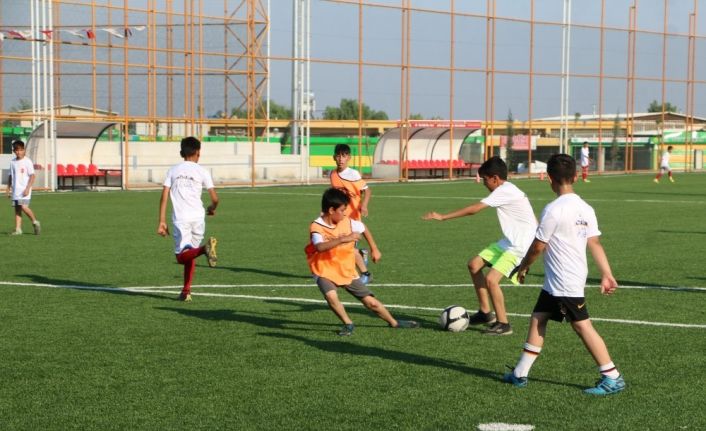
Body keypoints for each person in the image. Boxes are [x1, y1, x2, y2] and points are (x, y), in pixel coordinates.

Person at [504, 153, 625, 396]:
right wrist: (606, 274)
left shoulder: (553, 209)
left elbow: (539, 245)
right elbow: (595, 243)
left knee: (582, 326)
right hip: (559, 280)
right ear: (576, 177)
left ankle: (612, 376)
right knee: (539, 317)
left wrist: (524, 266)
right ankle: (520, 373)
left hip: (564, 281)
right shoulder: (585, 207)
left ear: (549, 178)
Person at [422, 156, 537, 336]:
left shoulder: (505, 190)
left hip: (520, 246)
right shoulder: (507, 189)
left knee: (492, 280)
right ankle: (485, 313)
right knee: (474, 264)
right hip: (509, 241)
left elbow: (474, 210)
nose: (484, 183)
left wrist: (443, 217)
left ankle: (504, 324)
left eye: (485, 179)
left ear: (495, 178)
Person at [306, 187, 418, 336]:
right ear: (331, 210)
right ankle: (348, 323)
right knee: (331, 296)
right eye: (342, 210)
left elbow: (363, 228)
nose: (345, 213)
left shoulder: (348, 222)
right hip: (323, 269)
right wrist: (343, 239)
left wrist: (374, 248)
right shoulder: (317, 226)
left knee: (370, 303)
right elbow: (319, 247)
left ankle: (394, 322)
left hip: (346, 268)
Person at [158, 136, 219, 302]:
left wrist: (162, 220)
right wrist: (212, 209)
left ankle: (204, 249)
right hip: (198, 217)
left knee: (181, 256)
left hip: (181, 218)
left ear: (181, 153)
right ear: (198, 153)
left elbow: (164, 195)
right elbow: (215, 198)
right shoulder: (202, 171)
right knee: (189, 254)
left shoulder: (173, 170)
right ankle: (186, 291)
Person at [330, 143, 374, 284]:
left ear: (349, 158)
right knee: (337, 245)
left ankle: (366, 274)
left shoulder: (353, 174)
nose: (341, 159)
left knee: (347, 248)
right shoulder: (333, 174)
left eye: (344, 156)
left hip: (353, 217)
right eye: (338, 156)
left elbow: (367, 190)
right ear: (334, 157)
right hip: (339, 217)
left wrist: (364, 206)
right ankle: (361, 255)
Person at [5, 140, 41, 235]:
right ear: (14, 151)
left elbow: (32, 176)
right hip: (15, 190)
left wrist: (27, 188)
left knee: (23, 207)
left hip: (24, 190)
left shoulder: (27, 161)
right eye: (16, 150)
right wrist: (8, 188)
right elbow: (10, 176)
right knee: (17, 209)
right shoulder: (13, 162)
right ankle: (18, 229)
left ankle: (35, 222)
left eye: (21, 150)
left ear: (24, 150)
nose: (19, 152)